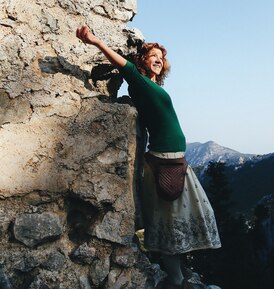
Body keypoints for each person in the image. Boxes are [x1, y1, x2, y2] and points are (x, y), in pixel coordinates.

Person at [76, 25, 221, 288]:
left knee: (177, 222)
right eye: (153, 55)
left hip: (175, 161)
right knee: (170, 224)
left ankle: (178, 272)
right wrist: (95, 41)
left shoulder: (153, 86)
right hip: (165, 162)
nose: (158, 59)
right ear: (143, 60)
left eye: (161, 57)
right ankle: (175, 278)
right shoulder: (140, 82)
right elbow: (125, 67)